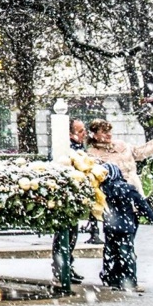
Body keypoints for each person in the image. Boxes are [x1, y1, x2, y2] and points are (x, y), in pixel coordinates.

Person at [99, 163, 153, 290]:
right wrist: (152, 217)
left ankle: (111, 279)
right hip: (125, 227)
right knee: (126, 255)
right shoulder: (128, 188)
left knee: (110, 253)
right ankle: (129, 281)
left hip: (110, 226)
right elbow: (142, 204)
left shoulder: (102, 189)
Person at [86, 119, 153, 192]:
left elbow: (140, 152)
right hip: (118, 195)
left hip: (136, 190)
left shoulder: (121, 145)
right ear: (95, 135)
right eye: (104, 132)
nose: (109, 134)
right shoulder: (92, 154)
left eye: (109, 131)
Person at [52, 119, 89, 283]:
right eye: (80, 131)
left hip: (73, 196)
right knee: (66, 233)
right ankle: (62, 268)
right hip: (66, 196)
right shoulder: (65, 149)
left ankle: (65, 266)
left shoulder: (78, 147)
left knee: (70, 233)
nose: (84, 133)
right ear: (70, 133)